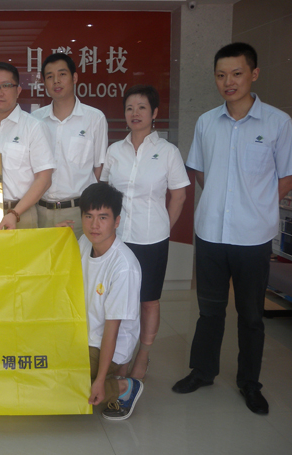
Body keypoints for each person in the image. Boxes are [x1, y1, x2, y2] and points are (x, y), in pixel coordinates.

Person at [173, 43, 292, 415]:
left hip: (253, 237)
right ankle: (202, 371)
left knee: (252, 316)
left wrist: (255, 205)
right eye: (221, 75)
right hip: (210, 232)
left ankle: (249, 383)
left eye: (237, 74)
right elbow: (200, 172)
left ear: (253, 74)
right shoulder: (207, 122)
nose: (229, 82)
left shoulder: (278, 123)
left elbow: (286, 176)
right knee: (209, 310)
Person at [101, 85, 189, 380]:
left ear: (154, 113)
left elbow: (179, 196)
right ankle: (119, 357)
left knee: (148, 300)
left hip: (152, 239)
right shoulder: (115, 151)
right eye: (129, 108)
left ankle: (143, 354)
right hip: (117, 240)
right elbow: (105, 193)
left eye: (141, 107)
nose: (134, 113)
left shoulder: (167, 152)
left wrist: (163, 226)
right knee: (117, 301)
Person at [78, 182, 143, 420]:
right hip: (84, 333)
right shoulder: (84, 242)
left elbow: (111, 331)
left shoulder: (123, 266)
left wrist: (98, 380)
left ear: (117, 221)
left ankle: (123, 387)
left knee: (65, 381)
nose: (94, 225)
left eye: (103, 217)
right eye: (89, 216)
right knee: (43, 363)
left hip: (108, 345)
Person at [0, 62, 54, 229]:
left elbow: (44, 179)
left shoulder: (34, 127)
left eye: (5, 85)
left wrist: (14, 213)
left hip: (21, 214)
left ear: (18, 90)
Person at [32, 53, 108, 237]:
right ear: (44, 83)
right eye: (50, 76)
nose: (56, 81)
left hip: (78, 212)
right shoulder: (35, 120)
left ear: (74, 78)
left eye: (62, 74)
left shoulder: (94, 118)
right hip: (39, 211)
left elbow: (98, 168)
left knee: (78, 257)